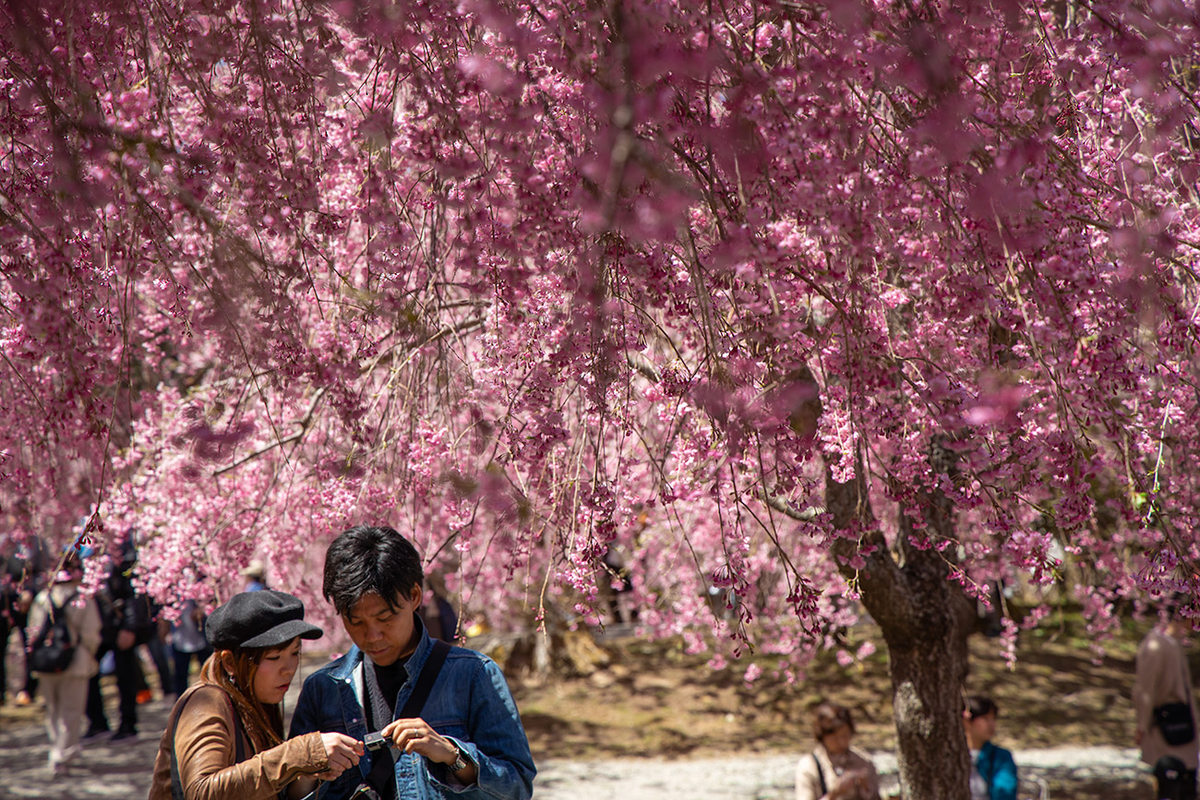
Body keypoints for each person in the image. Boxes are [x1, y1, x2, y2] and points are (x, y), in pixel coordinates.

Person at [289, 524, 536, 800]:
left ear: (415, 596)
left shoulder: (474, 675)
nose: (372, 636)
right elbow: (291, 794)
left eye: (385, 618)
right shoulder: (322, 689)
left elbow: (517, 787)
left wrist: (452, 755)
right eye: (355, 621)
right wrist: (309, 766)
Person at [148, 589, 364, 800]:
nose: (288, 668)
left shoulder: (259, 702)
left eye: (295, 653)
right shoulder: (206, 701)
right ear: (230, 662)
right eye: (274, 657)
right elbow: (202, 791)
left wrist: (306, 772)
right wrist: (302, 752)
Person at [26, 552, 102, 778]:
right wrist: (87, 651)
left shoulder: (42, 598)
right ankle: (62, 753)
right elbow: (92, 633)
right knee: (71, 710)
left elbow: (32, 633)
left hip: (46, 662)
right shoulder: (82, 598)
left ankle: (58, 748)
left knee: (53, 710)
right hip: (75, 660)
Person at [1134, 596, 1198, 800]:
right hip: (1165, 723)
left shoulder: (1173, 643)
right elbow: (1145, 690)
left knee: (1186, 782)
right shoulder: (1156, 645)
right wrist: (1142, 726)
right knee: (1170, 780)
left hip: (1182, 720)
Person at [795, 701, 880, 800]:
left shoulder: (864, 762)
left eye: (845, 735)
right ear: (823, 737)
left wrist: (866, 789)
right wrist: (834, 794)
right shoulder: (809, 767)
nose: (841, 742)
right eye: (834, 738)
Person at [963, 695, 1018, 800]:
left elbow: (1006, 792)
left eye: (993, 719)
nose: (991, 724)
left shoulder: (1001, 756)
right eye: (985, 718)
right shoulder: (950, 755)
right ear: (967, 720)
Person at [170, 598, 213, 697]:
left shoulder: (197, 586)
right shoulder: (171, 591)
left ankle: (212, 696)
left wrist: (201, 610)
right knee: (180, 675)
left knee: (208, 672)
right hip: (180, 638)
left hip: (201, 638)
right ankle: (181, 701)